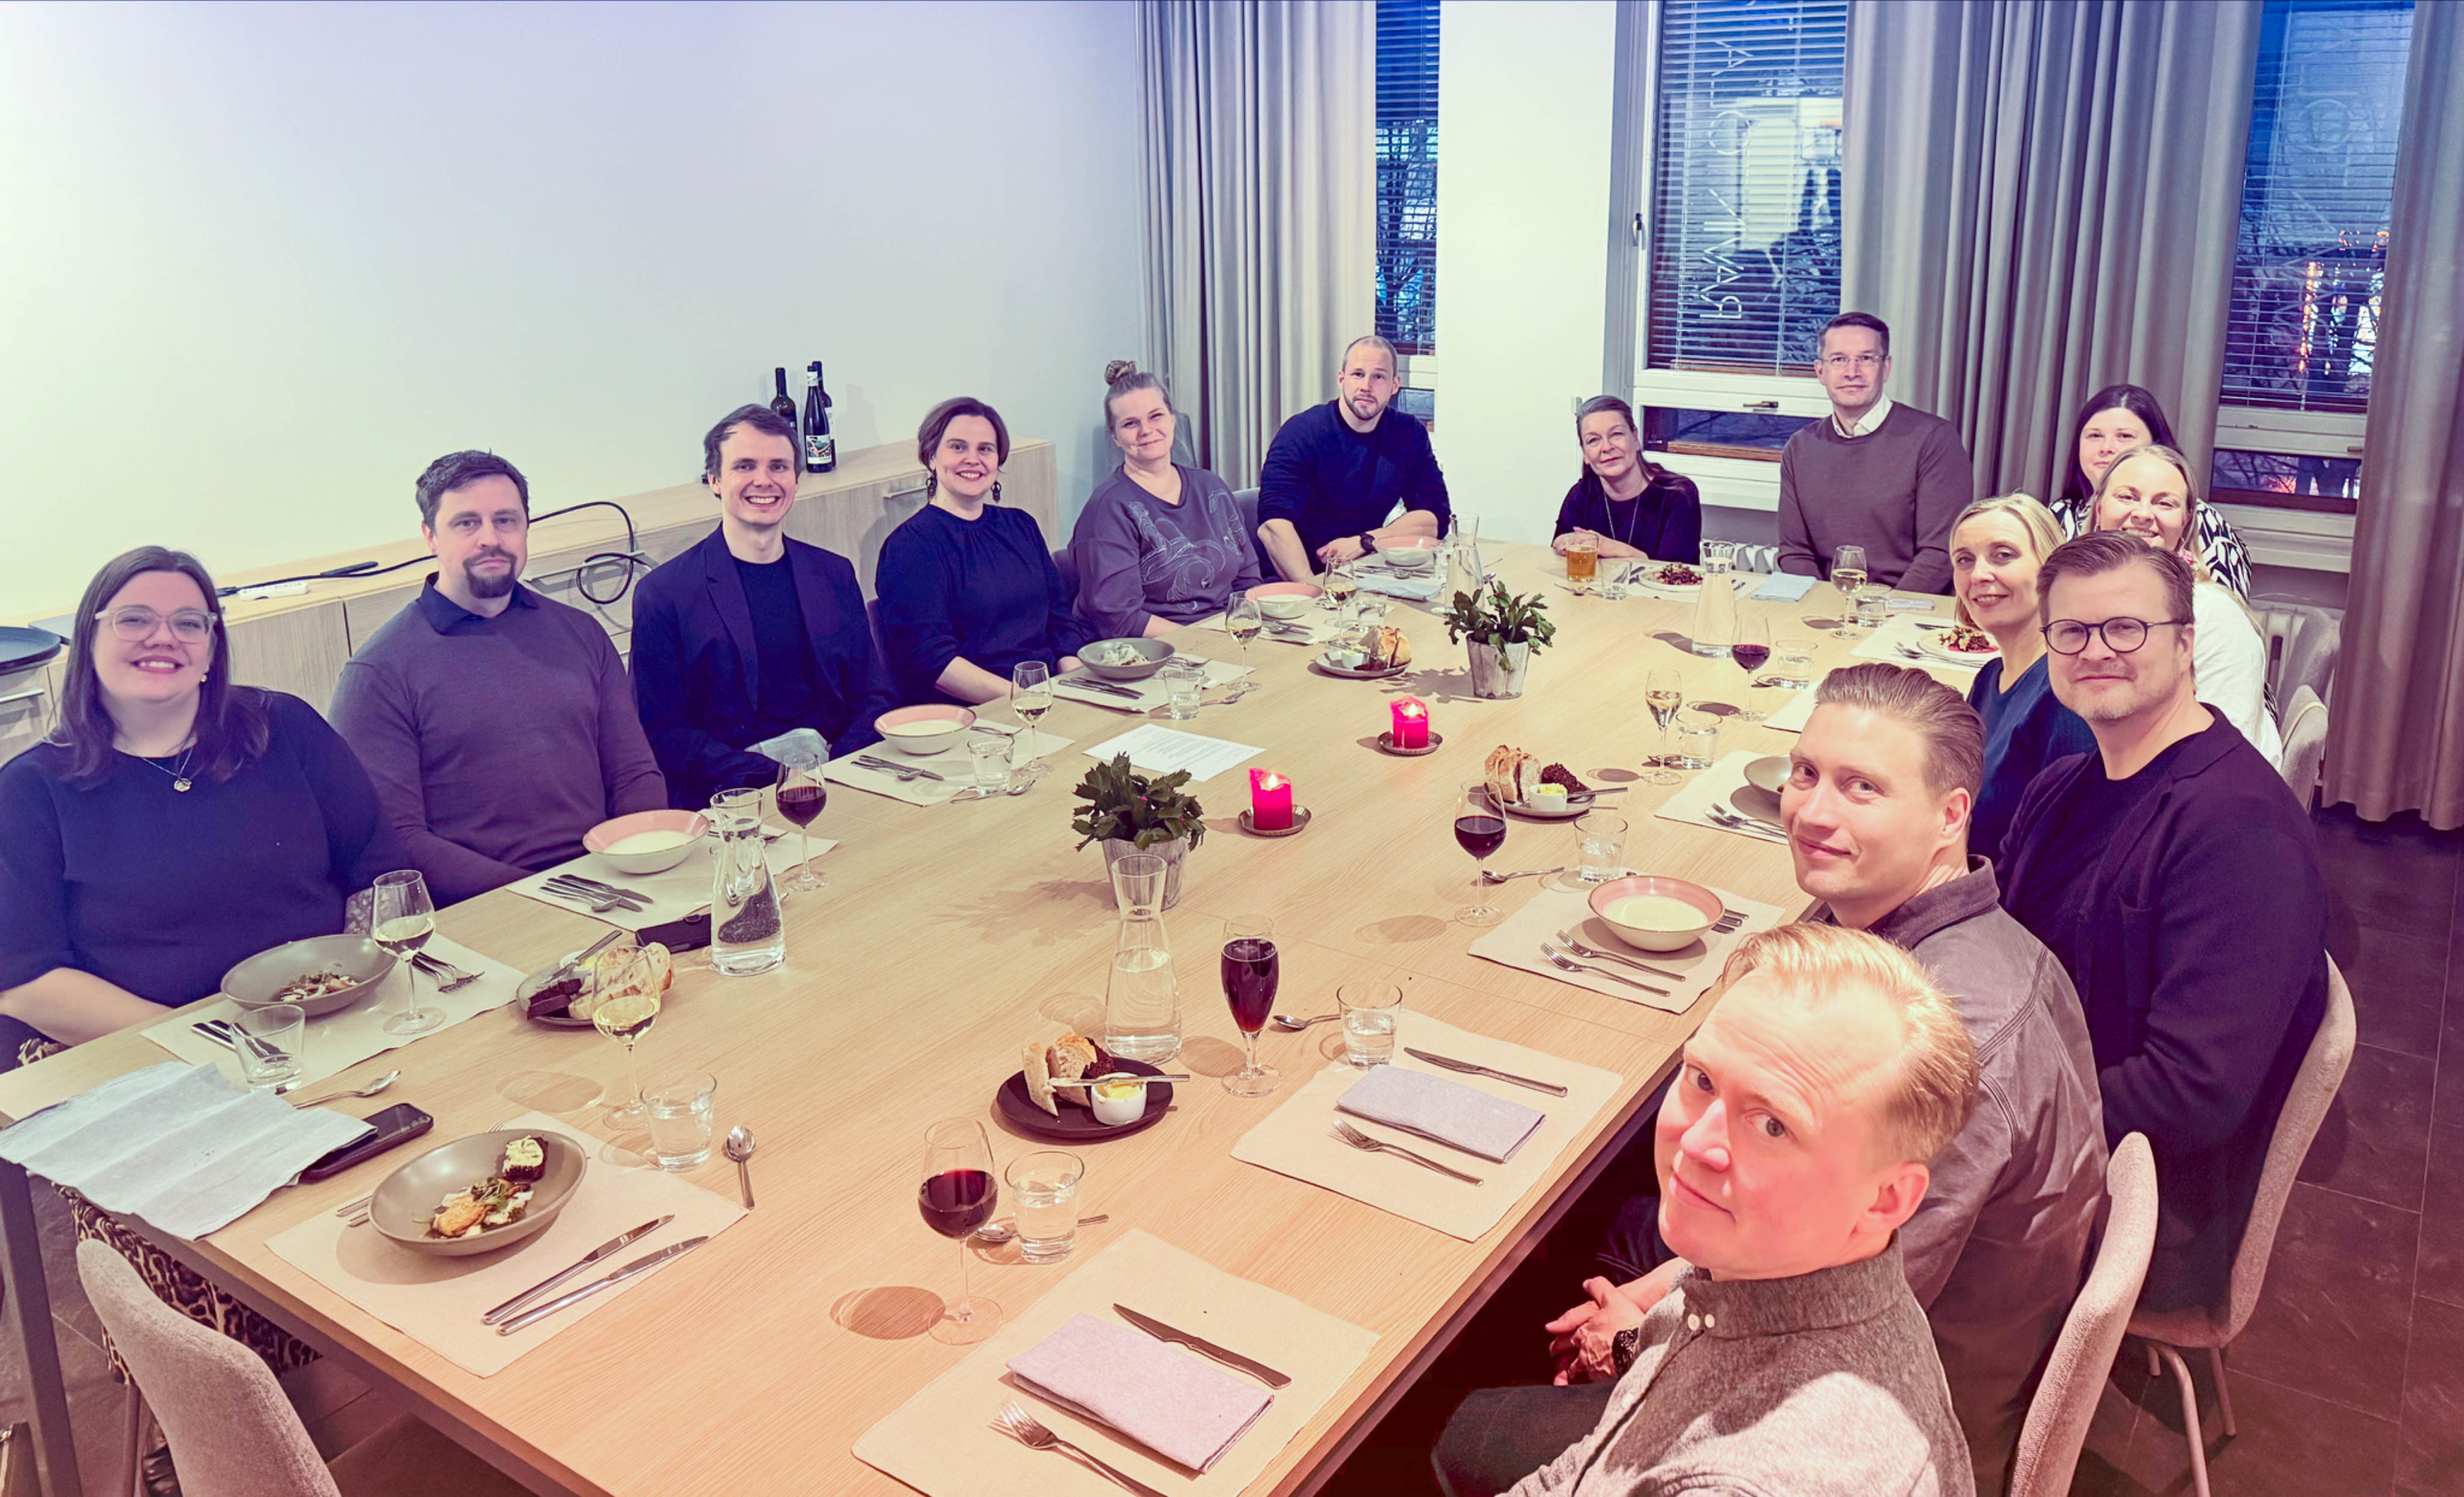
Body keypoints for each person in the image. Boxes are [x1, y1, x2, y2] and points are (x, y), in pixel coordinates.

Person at [1540, 664, 2104, 1494]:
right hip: (1851, 1329)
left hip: (1864, 1408)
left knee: (1541, 1245)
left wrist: (1636, 1334)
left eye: (1860, 787)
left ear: (1950, 815)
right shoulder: (1952, 947)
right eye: (1805, 773)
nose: (1810, 811)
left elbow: (1845, 1286)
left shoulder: (1945, 1035)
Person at [1437, 923, 1981, 1497]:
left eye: (1772, 1125)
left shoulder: (1756, 1479)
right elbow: (1593, 1467)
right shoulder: (1764, 1269)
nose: (1695, 1142)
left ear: (1884, 1199)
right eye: (1701, 1079)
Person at [2001, 533, 2327, 1312]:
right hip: (2039, 1111)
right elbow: (2003, 948)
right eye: (2070, 631)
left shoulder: (2239, 832)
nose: (2095, 651)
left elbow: (2190, 1094)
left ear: (2185, 645)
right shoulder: (2065, 785)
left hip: (2132, 1204)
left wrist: (1986, 1111)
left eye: (2125, 628)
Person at [0, 547, 401, 1046]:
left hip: (335, 1016)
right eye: (134, 619)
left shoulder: (286, 726)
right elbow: (26, 981)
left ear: (211, 650)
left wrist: (355, 986)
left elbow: (376, 873)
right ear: (88, 638)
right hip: (157, 1052)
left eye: (189, 623)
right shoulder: (30, 789)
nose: (163, 637)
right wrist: (215, 1042)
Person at [330, 451, 667, 904]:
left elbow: (634, 774)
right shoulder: (378, 673)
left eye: (505, 520)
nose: (490, 539)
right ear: (430, 536)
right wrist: (544, 897)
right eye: (467, 523)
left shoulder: (582, 632)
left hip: (609, 881)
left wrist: (636, 860)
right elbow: (397, 840)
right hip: (487, 907)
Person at [630, 405, 893, 810]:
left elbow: (873, 694)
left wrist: (834, 770)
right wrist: (780, 777)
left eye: (778, 467)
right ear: (715, 480)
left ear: (796, 480)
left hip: (840, 778)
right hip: (730, 796)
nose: (764, 481)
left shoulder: (834, 573)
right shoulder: (663, 594)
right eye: (745, 466)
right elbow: (662, 732)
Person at [876, 397, 1090, 705]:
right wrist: (1028, 699)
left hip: (1050, 695)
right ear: (932, 457)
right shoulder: (910, 547)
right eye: (958, 447)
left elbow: (1060, 618)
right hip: (975, 711)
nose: (973, 459)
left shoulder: (1022, 526)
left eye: (985, 449)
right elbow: (931, 660)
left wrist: (1074, 685)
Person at [2086, 444, 2281, 763]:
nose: (2143, 514)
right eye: (2127, 497)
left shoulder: (2214, 616)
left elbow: (2223, 755)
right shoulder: (2083, 601)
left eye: (2164, 503)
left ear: (2186, 522)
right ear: (2099, 510)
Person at [1776, 311, 1974, 594]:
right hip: (1827, 605)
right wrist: (1825, 607)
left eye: (1867, 358)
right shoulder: (1801, 447)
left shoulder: (1934, 439)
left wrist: (1880, 611)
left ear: (1886, 368)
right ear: (1820, 372)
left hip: (1909, 608)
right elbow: (1795, 552)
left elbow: (1940, 554)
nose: (1852, 372)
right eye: (1839, 360)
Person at [1950, 493, 2098, 862]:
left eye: (2003, 555)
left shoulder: (2065, 692)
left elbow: (2066, 855)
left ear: (2051, 569)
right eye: (1964, 560)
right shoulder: (1989, 678)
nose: (1979, 575)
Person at [1069, 361, 1262, 638]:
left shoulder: (1211, 486)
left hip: (1227, 634)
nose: (1146, 430)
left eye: (1156, 416)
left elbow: (1248, 579)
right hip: (1155, 649)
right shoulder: (1108, 510)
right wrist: (1205, 641)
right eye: (1131, 423)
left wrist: (1240, 633)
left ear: (1173, 420)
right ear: (1115, 437)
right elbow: (1121, 620)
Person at [1256, 334, 1451, 582]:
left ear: (1395, 385)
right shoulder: (1301, 433)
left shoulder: (1408, 433)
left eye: (1379, 377)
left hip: (1362, 570)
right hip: (1295, 578)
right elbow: (1273, 526)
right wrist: (1314, 590)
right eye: (1358, 374)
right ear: (1342, 380)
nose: (1366, 386)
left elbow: (1435, 518)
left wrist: (1366, 541)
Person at [2049, 384, 2252, 598]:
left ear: (2156, 445)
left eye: (2124, 436)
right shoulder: (2058, 515)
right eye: (2095, 436)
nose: (2106, 447)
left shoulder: (2202, 520)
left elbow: (2226, 607)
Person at [1550, 396, 1700, 565]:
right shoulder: (1582, 495)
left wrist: (1610, 548)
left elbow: (1675, 570)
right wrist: (1562, 544)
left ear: (1635, 438)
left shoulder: (1678, 494)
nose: (1607, 447)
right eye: (1594, 440)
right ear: (1585, 453)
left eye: (1617, 434)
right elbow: (1560, 557)